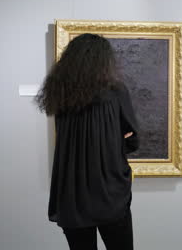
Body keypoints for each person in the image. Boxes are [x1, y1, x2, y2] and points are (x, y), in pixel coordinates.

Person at [35, 33, 139, 250]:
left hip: (72, 194)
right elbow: (133, 140)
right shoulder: (116, 92)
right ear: (104, 60)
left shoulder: (60, 93)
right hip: (108, 191)